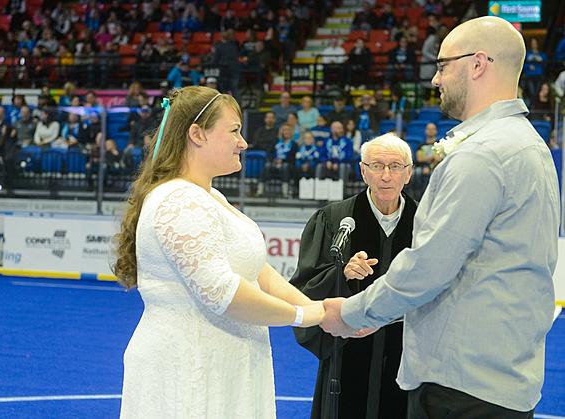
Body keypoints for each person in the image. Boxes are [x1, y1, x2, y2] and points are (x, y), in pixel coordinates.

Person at [320, 16, 560, 418]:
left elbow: (429, 267)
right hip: (499, 376)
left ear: (478, 64)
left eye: (443, 64)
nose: (435, 78)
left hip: (461, 385)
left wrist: (351, 312)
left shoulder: (483, 154)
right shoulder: (526, 145)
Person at [112, 86, 325, 419]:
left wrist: (316, 308)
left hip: (220, 364)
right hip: (190, 367)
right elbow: (222, 293)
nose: (243, 142)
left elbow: (257, 272)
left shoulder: (210, 198)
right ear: (197, 134)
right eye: (235, 131)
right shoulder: (180, 201)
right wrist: (305, 317)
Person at [292, 133, 416, 419]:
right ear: (363, 171)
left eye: (395, 166)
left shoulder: (426, 224)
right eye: (377, 165)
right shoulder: (335, 220)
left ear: (408, 174)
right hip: (347, 356)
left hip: (407, 357)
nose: (386, 175)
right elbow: (303, 291)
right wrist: (342, 274)